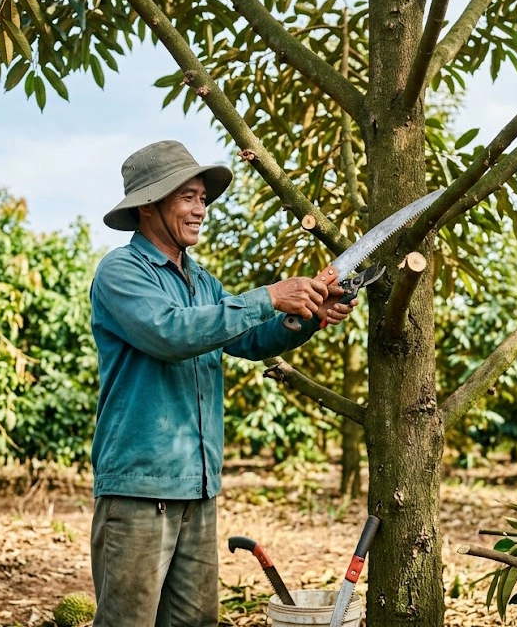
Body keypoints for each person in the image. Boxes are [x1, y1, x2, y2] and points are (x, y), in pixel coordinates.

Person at [88, 140, 356, 627]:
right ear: (148, 205)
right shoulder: (121, 272)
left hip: (198, 483)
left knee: (194, 621)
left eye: (203, 198)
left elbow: (248, 339)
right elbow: (169, 333)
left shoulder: (202, 282)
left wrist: (308, 314)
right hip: (140, 488)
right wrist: (269, 295)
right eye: (187, 197)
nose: (200, 210)